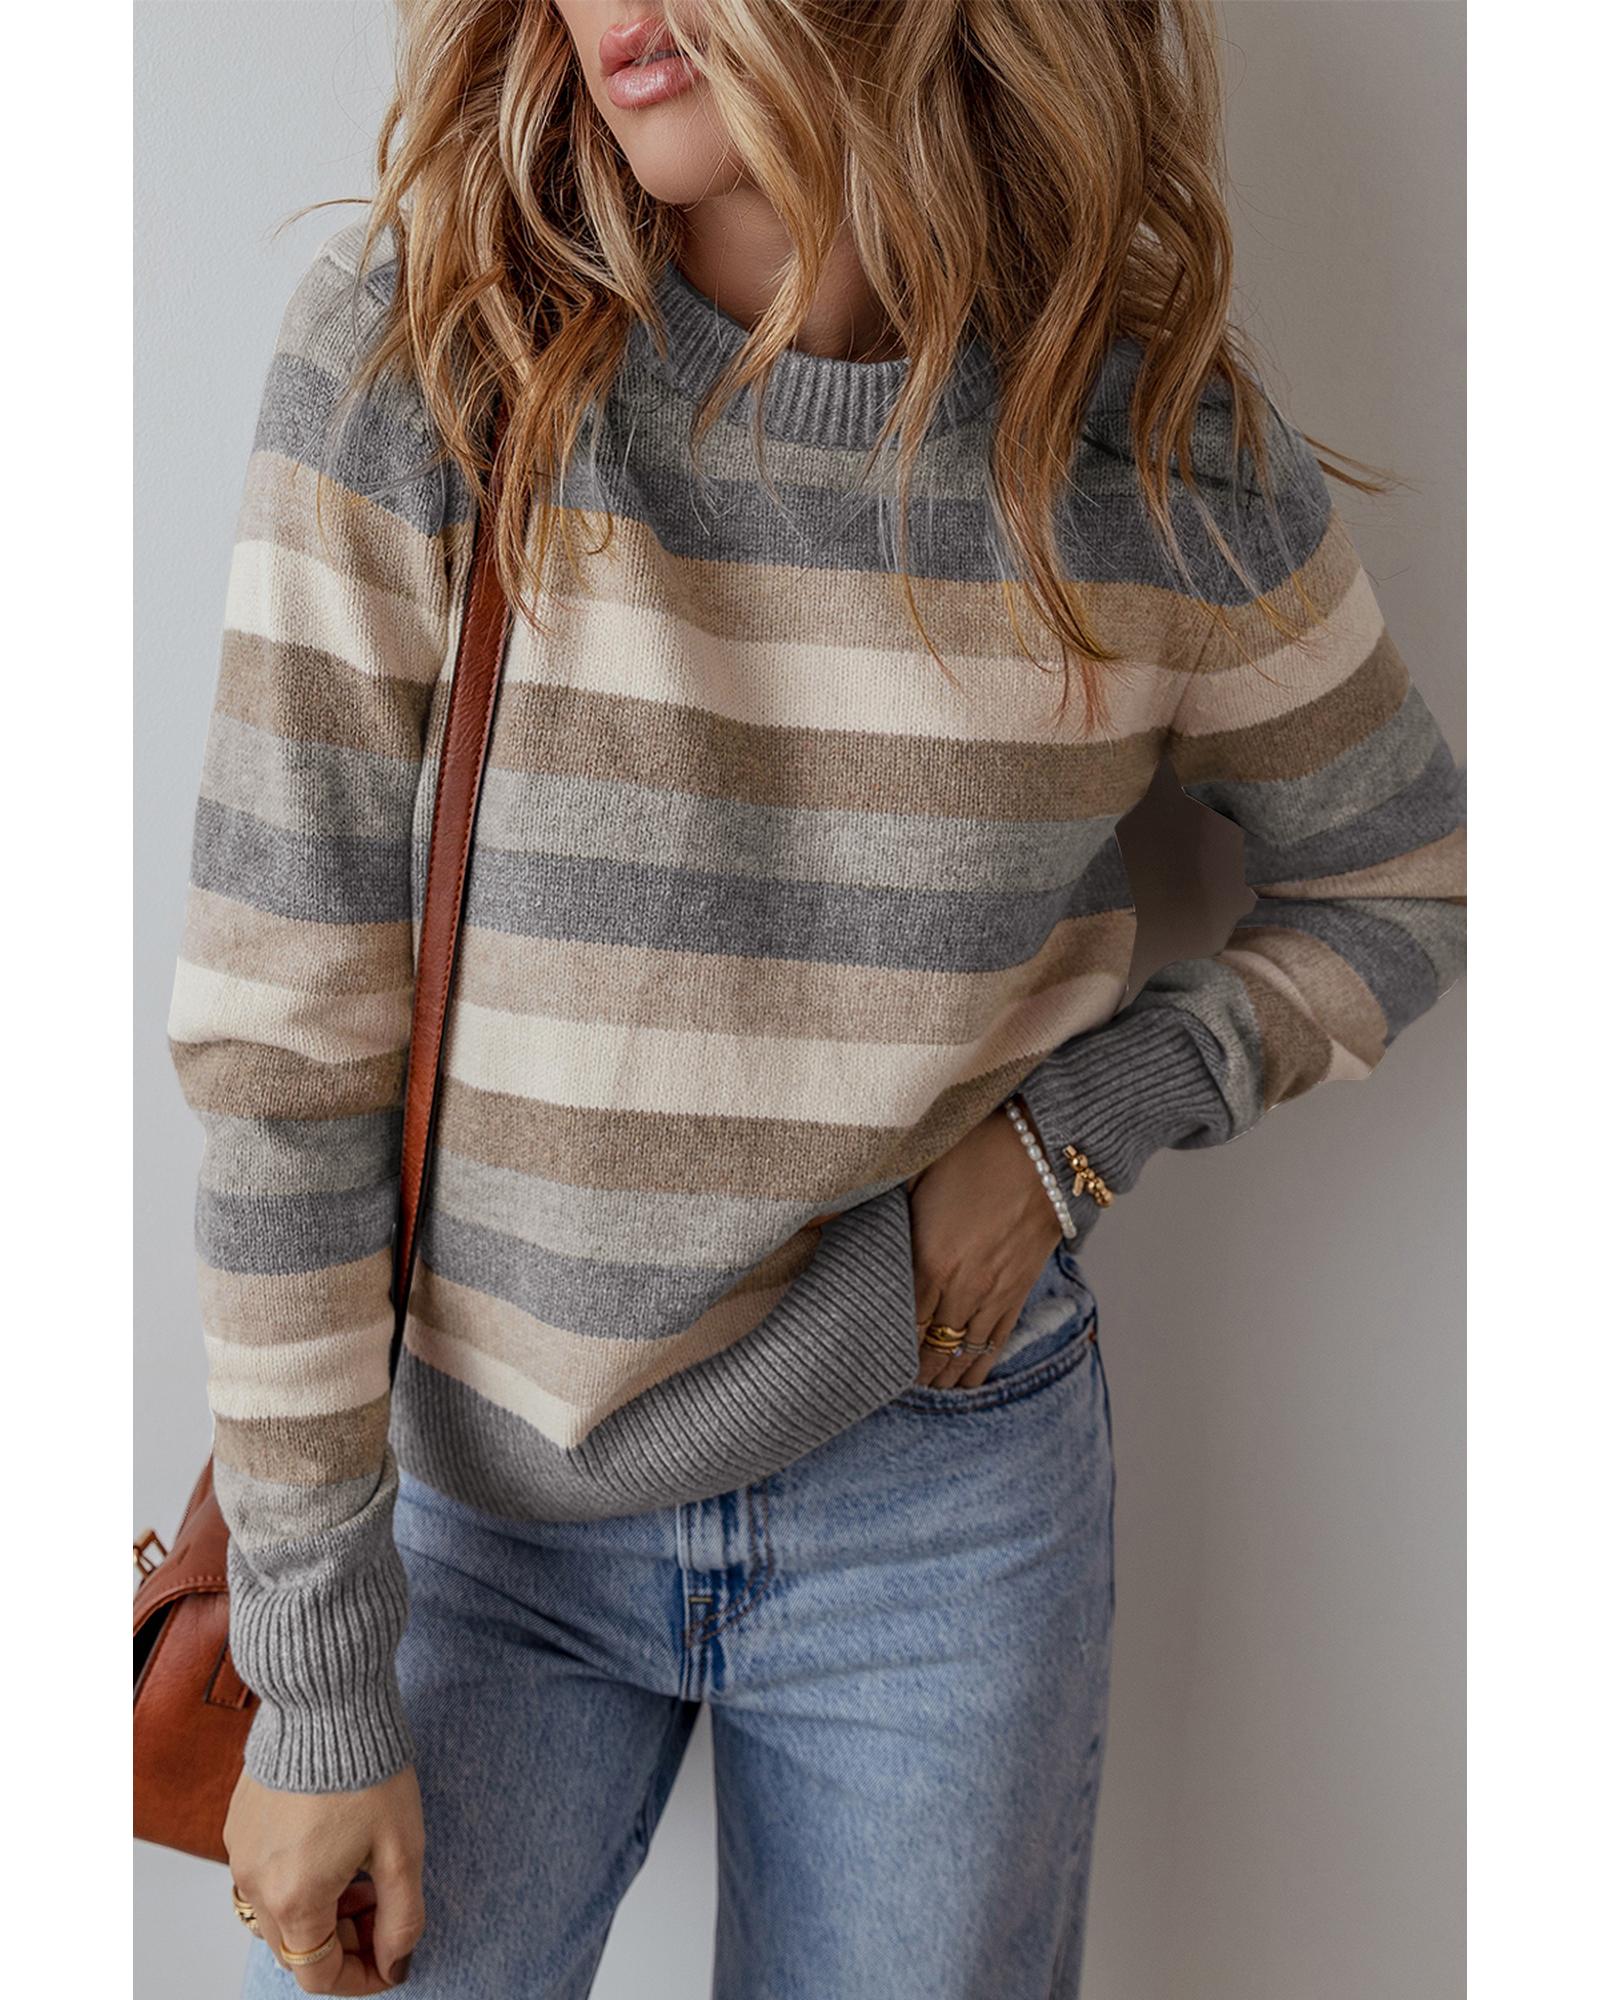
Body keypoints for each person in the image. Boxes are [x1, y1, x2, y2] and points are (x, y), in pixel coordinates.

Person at [164, 2, 1467, 1993]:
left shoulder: (1141, 457)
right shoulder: (434, 361)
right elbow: (284, 1056)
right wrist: (319, 1684)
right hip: (472, 1513)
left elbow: (1402, 878)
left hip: (940, 1494)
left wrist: (1068, 1138)